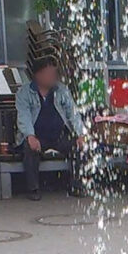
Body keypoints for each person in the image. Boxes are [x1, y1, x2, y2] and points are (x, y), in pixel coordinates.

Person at [16, 59, 85, 201]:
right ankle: (33, 188)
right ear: (38, 75)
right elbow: (24, 116)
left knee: (78, 147)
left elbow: (73, 113)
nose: (53, 77)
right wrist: (30, 135)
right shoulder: (24, 93)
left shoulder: (61, 90)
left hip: (59, 136)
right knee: (30, 149)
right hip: (37, 136)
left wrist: (80, 134)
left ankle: (76, 185)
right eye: (49, 74)